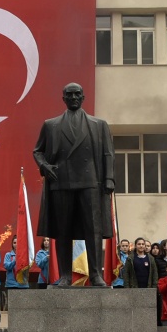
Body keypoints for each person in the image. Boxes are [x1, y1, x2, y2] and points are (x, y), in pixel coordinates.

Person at [33, 82, 115, 287]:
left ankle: (96, 274)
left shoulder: (98, 125)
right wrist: (44, 166)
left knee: (93, 229)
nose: (73, 98)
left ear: (83, 97)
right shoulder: (51, 125)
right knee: (63, 230)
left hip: (90, 182)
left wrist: (109, 179)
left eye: (77, 94)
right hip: (62, 182)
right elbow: (37, 151)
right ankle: (65, 276)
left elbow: (108, 153)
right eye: (69, 95)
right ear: (63, 98)